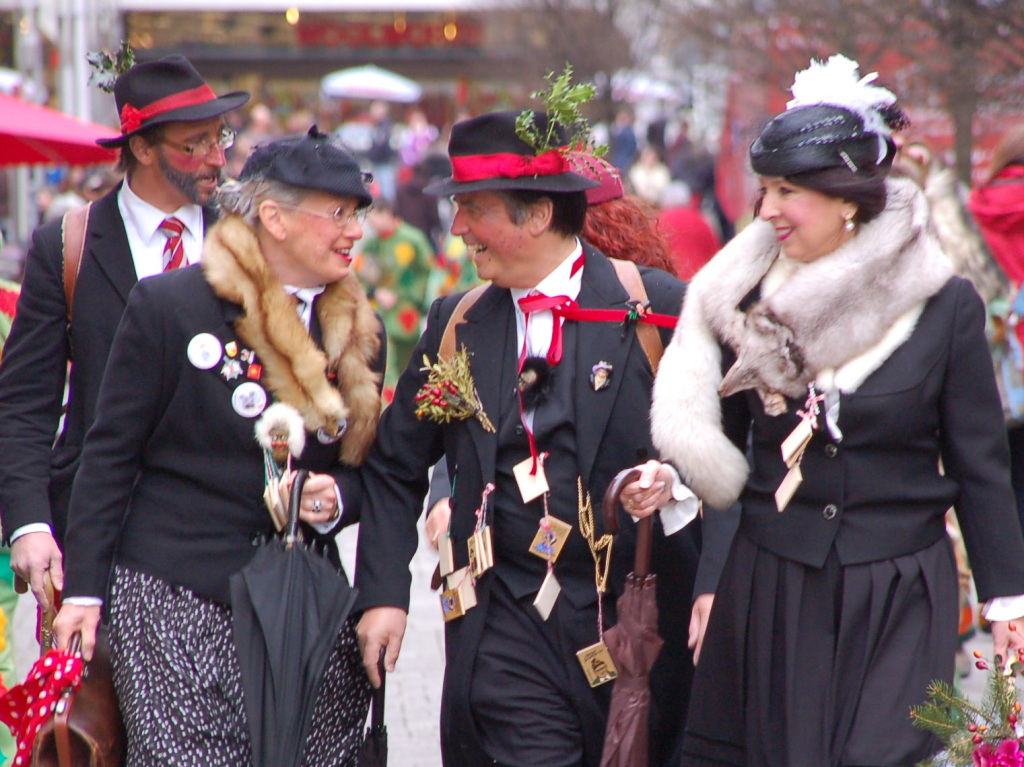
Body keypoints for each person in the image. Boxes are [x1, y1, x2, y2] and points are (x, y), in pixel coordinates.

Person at [644, 54, 1024, 766]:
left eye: (786, 190)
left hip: (900, 587)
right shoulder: (746, 302)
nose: (765, 211)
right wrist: (672, 483)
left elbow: (981, 465)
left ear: (848, 197)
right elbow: (726, 452)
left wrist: (1008, 600)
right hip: (776, 582)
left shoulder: (943, 306)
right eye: (764, 190)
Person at [355, 110, 721, 767]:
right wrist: (384, 594)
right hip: (503, 632)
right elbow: (393, 464)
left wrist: (676, 482)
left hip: (636, 630)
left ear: (537, 216)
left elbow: (733, 448)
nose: (458, 227)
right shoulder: (457, 322)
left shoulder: (658, 310)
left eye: (474, 209)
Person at [53, 127, 385, 766]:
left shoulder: (357, 334)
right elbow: (109, 455)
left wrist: (335, 498)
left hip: (302, 599)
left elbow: (374, 473)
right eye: (338, 213)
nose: (354, 231)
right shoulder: (171, 306)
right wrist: (85, 595)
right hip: (175, 591)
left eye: (359, 213)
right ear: (273, 218)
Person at [0, 54, 249, 613]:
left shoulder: (247, 240)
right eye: (196, 143)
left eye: (221, 137)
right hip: (98, 544)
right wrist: (29, 523)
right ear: (141, 148)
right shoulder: (68, 246)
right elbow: (23, 404)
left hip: (224, 547)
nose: (218, 158)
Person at [360, 197, 437, 402]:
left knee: (411, 365)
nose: (370, 223)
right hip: (380, 316)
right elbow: (362, 278)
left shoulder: (413, 239)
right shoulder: (372, 246)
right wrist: (375, 292)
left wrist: (410, 297)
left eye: (373, 216)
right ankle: (389, 408)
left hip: (406, 315)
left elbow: (428, 273)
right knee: (386, 365)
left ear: (387, 213)